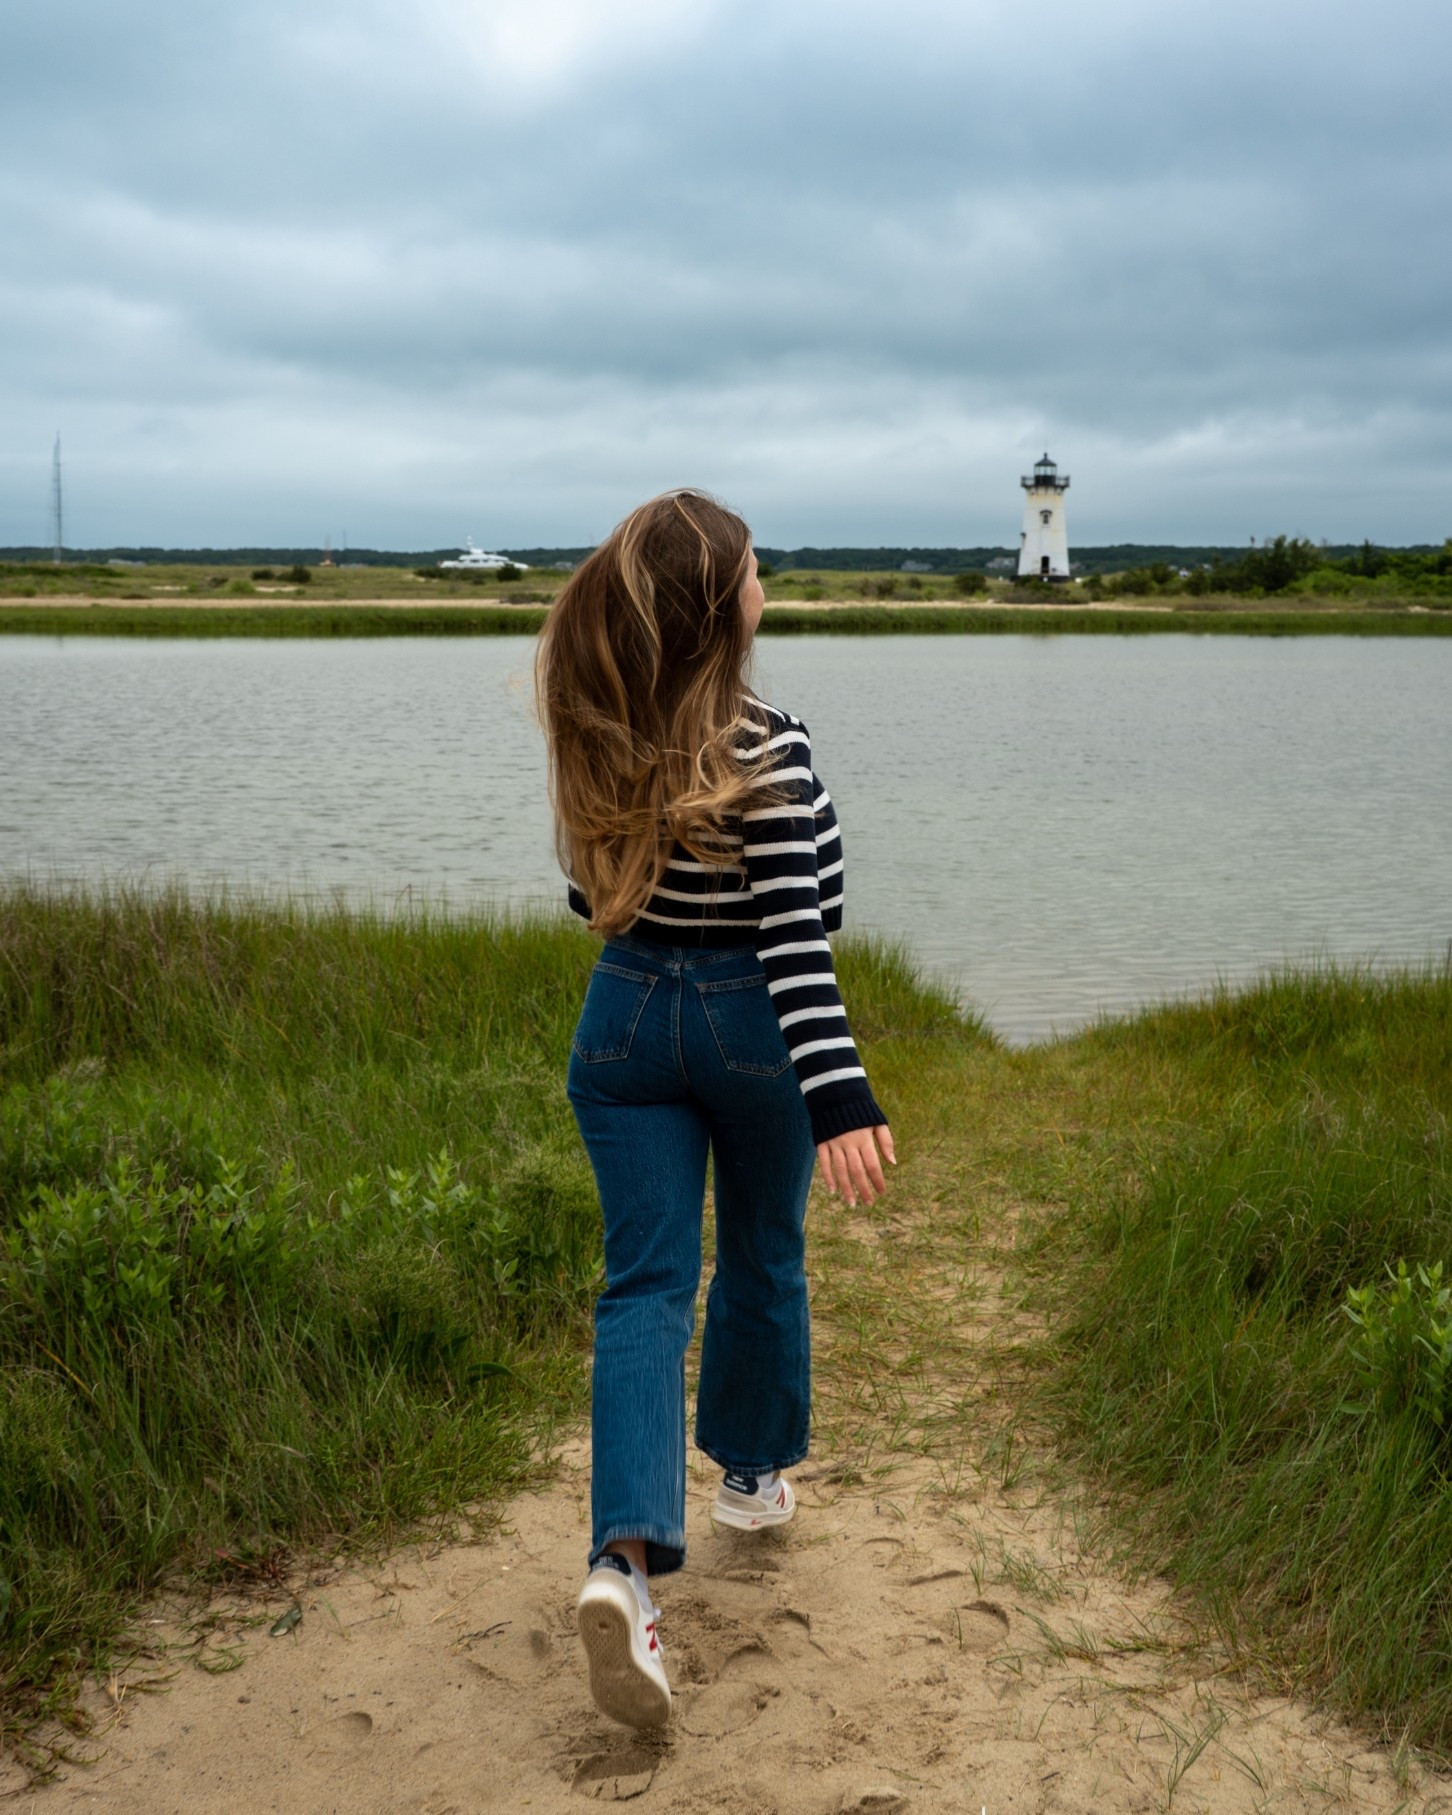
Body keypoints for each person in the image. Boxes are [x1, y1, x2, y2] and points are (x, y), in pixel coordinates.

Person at [534, 488, 894, 1729]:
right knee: (762, 1253)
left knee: (642, 1287)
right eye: (754, 566)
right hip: (754, 1028)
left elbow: (593, 904)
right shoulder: (773, 743)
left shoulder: (604, 732)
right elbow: (801, 937)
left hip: (621, 1018)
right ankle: (749, 1474)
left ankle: (622, 1570)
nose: (765, 578)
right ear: (724, 607)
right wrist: (842, 1096)